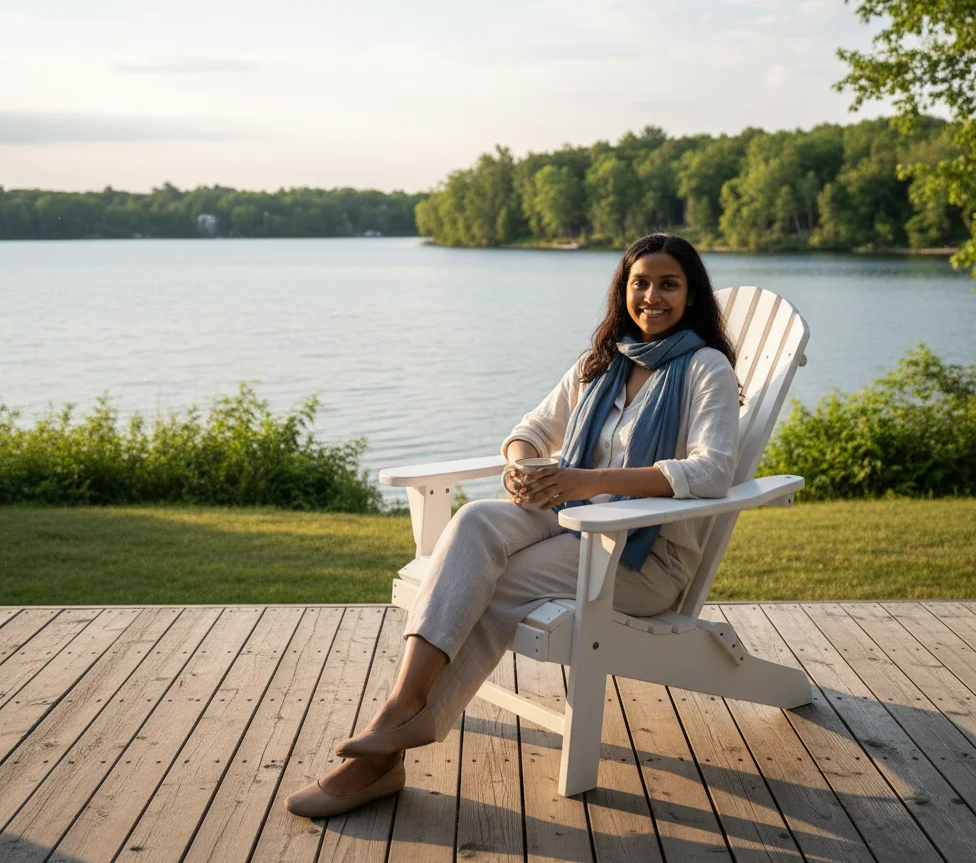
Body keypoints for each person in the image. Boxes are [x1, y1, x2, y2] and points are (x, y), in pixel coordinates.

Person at [284, 232, 741, 817]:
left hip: (641, 558)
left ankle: (380, 755)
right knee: (476, 521)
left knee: (495, 581)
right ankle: (404, 711)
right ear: (622, 291)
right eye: (640, 283)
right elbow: (530, 428)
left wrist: (591, 481)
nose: (652, 296)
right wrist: (520, 465)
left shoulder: (705, 368)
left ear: (691, 294)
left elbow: (713, 470)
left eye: (668, 284)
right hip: (570, 523)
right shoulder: (603, 362)